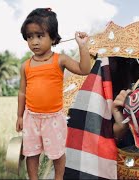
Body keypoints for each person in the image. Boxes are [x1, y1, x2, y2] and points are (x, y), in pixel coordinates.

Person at [15, 8, 91, 180]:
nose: (34, 41)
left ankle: (58, 177)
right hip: (31, 118)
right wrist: (19, 116)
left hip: (53, 119)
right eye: (29, 37)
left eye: (40, 36)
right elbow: (22, 93)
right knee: (31, 153)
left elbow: (84, 69)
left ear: (53, 38)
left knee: (57, 154)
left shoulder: (60, 60)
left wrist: (83, 46)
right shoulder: (25, 66)